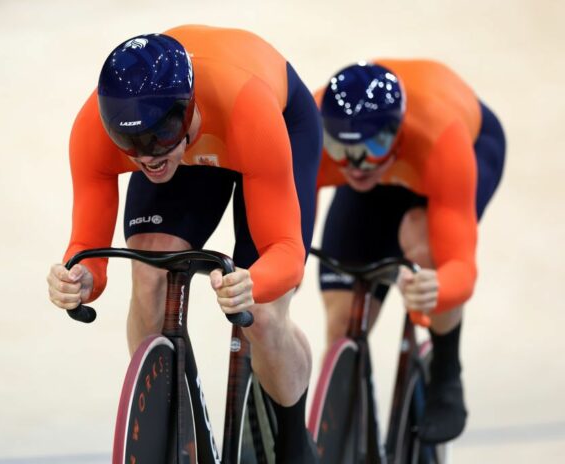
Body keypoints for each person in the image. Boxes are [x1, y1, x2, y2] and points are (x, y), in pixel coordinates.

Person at [46, 26, 322, 462]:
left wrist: (256, 281)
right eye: (130, 145)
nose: (147, 156)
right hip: (197, 138)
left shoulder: (247, 110)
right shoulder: (98, 130)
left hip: (267, 123)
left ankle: (292, 440)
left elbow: (287, 252)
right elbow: (87, 247)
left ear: (188, 108)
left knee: (264, 314)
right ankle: (175, 434)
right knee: (150, 272)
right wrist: (79, 278)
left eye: (159, 136)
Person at [314, 60, 506, 444]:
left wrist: (438, 287)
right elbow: (290, 228)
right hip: (389, 172)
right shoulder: (331, 139)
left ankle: (447, 373)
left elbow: (460, 266)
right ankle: (352, 423)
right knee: (343, 323)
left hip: (461, 149)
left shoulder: (439, 138)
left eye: (373, 147)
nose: (356, 163)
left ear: (395, 132)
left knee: (423, 242)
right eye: (341, 148)